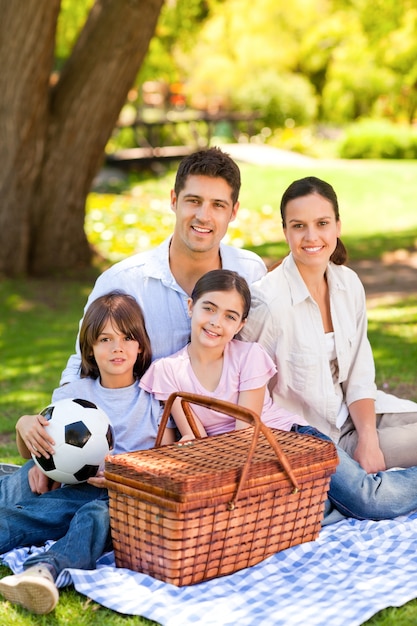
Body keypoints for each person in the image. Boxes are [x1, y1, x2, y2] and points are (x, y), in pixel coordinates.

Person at [141, 269, 417, 525]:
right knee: (299, 514)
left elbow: (245, 435)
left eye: (230, 316)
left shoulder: (248, 356)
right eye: (209, 308)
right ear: (191, 307)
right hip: (241, 470)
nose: (216, 322)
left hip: (290, 442)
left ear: (240, 325)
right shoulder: (168, 371)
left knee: (367, 500)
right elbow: (196, 438)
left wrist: (205, 453)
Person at [0, 291, 175, 614]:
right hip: (64, 485)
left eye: (126, 337)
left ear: (140, 346)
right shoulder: (74, 394)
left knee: (95, 515)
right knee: (24, 494)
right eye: (105, 339)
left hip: (119, 497)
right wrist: (25, 427)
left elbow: (169, 460)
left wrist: (124, 474)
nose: (117, 347)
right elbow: (33, 449)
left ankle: (43, 571)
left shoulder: (154, 400)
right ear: (91, 349)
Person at [241, 175, 417, 474]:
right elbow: (246, 391)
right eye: (299, 226)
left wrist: (369, 440)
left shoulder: (348, 284)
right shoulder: (268, 303)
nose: (312, 237)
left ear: (338, 225)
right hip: (312, 440)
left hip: (356, 416)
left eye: (322, 223)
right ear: (285, 232)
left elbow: (360, 372)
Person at [60, 147, 267, 385]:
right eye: (194, 201)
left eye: (218, 205)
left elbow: (263, 358)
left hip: (230, 421)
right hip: (144, 421)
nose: (203, 216)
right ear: (174, 200)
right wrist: (49, 416)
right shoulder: (121, 282)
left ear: (234, 212)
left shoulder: (251, 273)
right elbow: (83, 365)